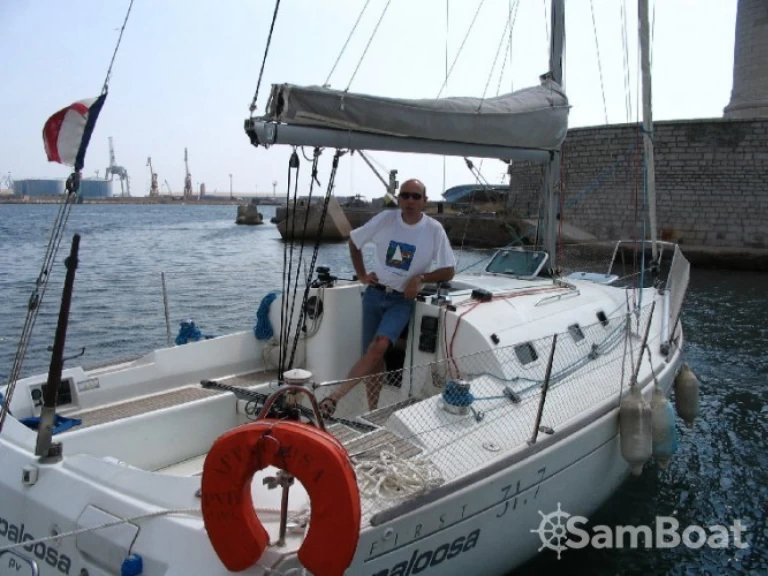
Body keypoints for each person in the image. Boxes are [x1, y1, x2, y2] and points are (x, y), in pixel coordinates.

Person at [319, 178, 455, 418]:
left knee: (379, 345)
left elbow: (448, 270)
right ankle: (373, 412)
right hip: (374, 294)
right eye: (405, 195)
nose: (410, 200)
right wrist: (362, 275)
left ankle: (334, 398)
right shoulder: (386, 220)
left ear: (425, 201)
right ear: (399, 199)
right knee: (373, 361)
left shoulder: (434, 230)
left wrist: (420, 278)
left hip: (401, 300)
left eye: (416, 196)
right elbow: (354, 242)